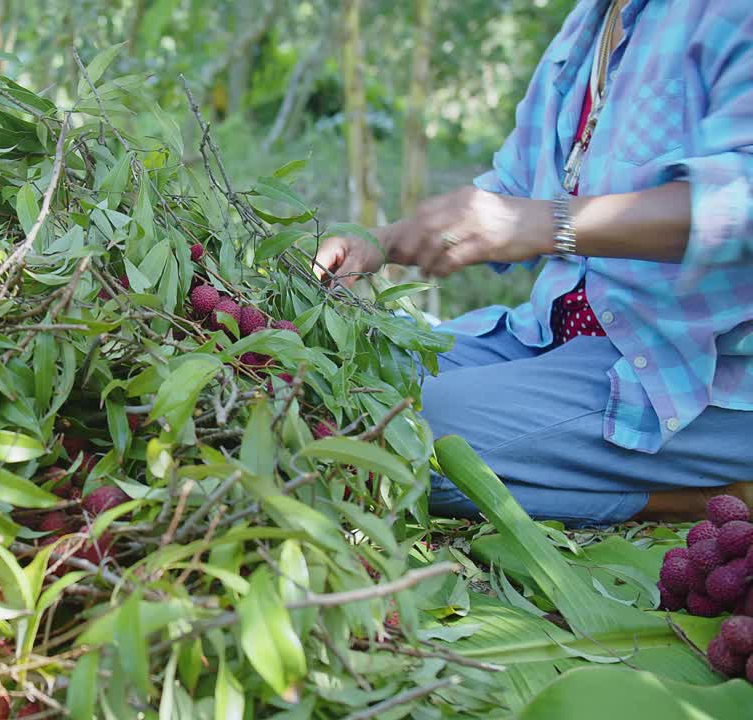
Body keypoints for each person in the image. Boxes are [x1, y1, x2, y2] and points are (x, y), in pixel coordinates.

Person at [314, 0, 752, 526]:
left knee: (393, 437)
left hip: (690, 368)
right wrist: (380, 242)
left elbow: (741, 202)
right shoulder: (590, 24)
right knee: (328, 377)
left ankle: (699, 499)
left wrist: (545, 224)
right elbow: (515, 192)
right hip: (552, 337)